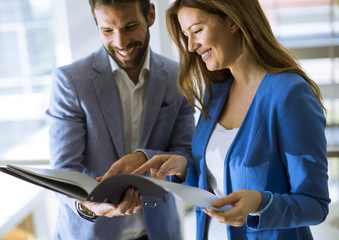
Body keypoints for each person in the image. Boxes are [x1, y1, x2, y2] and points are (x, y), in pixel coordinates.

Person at [133, 0, 331, 239]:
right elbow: (218, 183)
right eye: (186, 35)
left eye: (197, 31)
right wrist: (185, 169)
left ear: (232, 20)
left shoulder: (289, 94)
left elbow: (315, 204)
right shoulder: (216, 92)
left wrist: (259, 202)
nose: (191, 46)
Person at [46, 0, 195, 239]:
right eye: (107, 30)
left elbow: (186, 154)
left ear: (150, 15)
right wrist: (88, 205)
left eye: (129, 26)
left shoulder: (178, 78)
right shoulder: (70, 81)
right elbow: (64, 171)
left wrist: (143, 157)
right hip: (90, 232)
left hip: (159, 231)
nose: (120, 42)